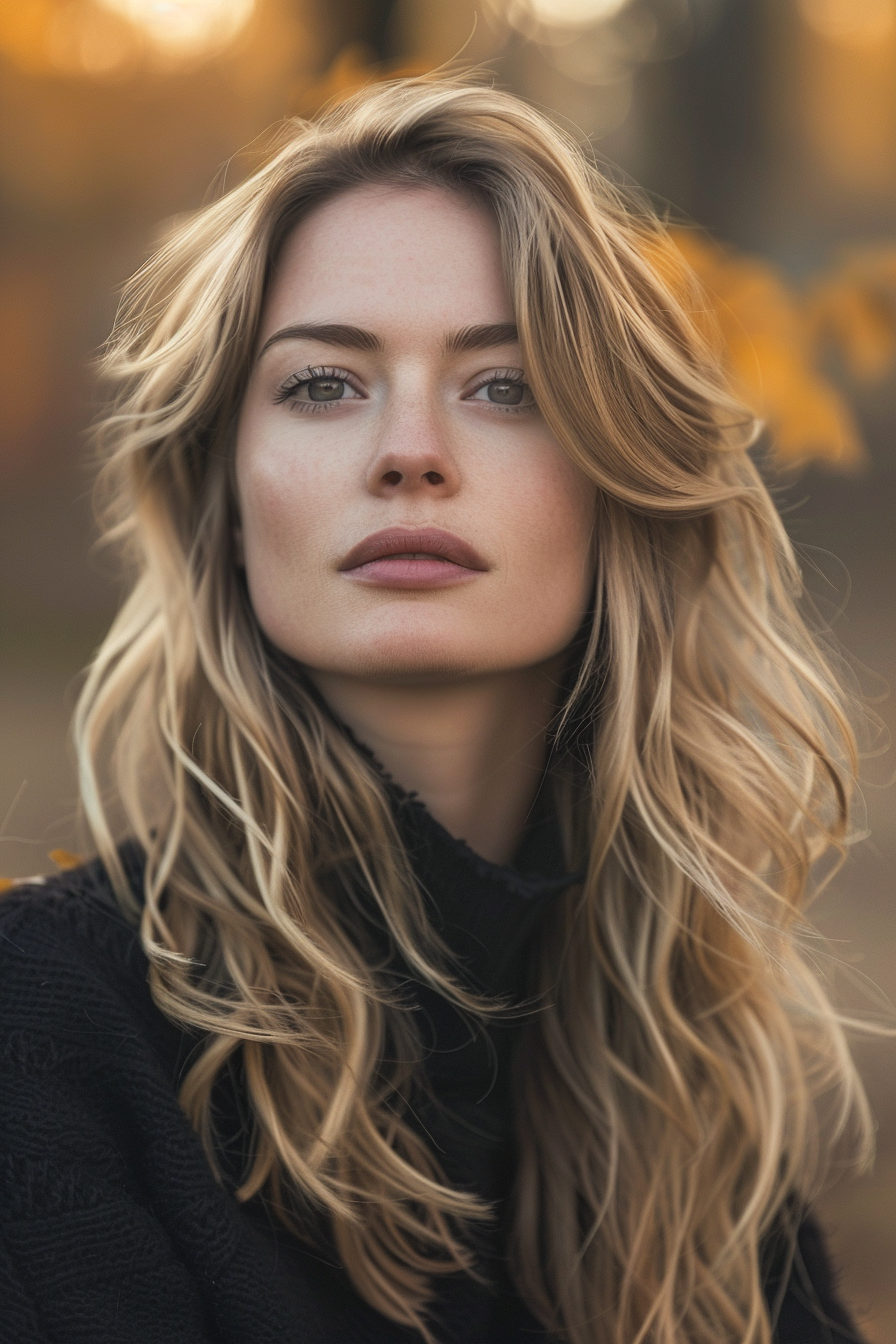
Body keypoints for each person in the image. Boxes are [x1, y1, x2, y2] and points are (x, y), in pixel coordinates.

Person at [0, 76, 873, 1344]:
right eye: (323, 385)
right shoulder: (44, 1039)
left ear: (615, 490)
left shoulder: (695, 1106)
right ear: (224, 501)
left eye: (503, 386)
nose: (411, 451)